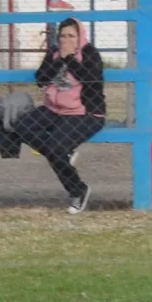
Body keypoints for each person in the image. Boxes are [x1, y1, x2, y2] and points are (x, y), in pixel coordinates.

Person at [15, 19, 105, 214]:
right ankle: (65, 154)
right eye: (63, 36)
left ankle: (78, 190)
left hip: (85, 113)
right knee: (22, 127)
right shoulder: (54, 53)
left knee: (56, 149)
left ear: (80, 37)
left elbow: (92, 81)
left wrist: (70, 60)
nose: (66, 40)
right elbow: (40, 79)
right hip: (54, 109)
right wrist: (59, 60)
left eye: (71, 36)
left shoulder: (90, 53)